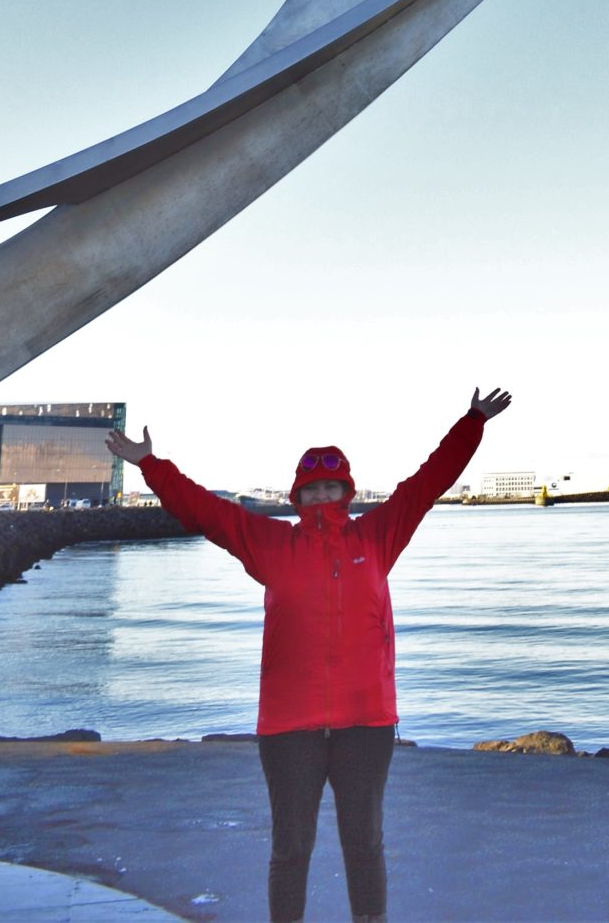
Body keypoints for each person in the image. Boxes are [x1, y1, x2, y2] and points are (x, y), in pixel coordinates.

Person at [106, 387, 511, 923]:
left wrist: (472, 422)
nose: (322, 497)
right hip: (288, 727)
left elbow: (426, 485)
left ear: (346, 491)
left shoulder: (378, 536)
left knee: (364, 844)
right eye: (312, 489)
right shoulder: (272, 545)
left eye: (331, 488)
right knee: (290, 849)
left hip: (365, 723)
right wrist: (149, 465)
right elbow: (206, 511)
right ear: (298, 497)